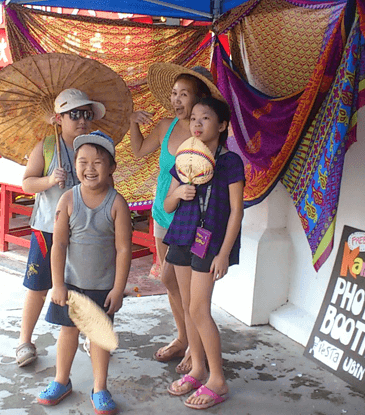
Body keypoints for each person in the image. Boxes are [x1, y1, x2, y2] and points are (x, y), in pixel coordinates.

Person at [129, 64, 220, 374]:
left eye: (184, 94)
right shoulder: (166, 125)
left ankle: (197, 349)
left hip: (190, 221)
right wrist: (132, 122)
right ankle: (183, 338)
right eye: (174, 94)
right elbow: (140, 150)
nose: (177, 100)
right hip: (162, 213)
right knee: (171, 284)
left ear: (200, 98)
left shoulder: (204, 133)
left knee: (181, 284)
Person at [37, 131, 131, 415]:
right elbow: (59, 244)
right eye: (82, 161)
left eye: (98, 162)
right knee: (68, 332)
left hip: (102, 286)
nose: (89, 168)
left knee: (99, 336)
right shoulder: (67, 199)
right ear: (74, 165)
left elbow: (124, 250)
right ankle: (60, 381)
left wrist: (118, 288)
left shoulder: (117, 204)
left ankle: (100, 387)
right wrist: (57, 284)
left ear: (112, 167)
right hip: (71, 283)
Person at [163, 97, 244, 410]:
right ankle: (198, 369)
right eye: (193, 118)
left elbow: (237, 211)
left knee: (199, 308)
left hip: (210, 243)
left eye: (205, 118)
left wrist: (223, 253)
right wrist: (179, 193)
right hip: (183, 236)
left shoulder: (230, 162)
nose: (196, 124)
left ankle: (218, 380)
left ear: (222, 125)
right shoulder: (184, 157)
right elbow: (169, 204)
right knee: (187, 306)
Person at [16, 88, 105, 367]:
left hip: (82, 232)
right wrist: (49, 180)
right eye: (74, 114)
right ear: (58, 118)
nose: (82, 120)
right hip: (47, 230)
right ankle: (24, 341)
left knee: (84, 288)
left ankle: (91, 339)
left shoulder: (91, 149)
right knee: (38, 286)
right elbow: (27, 183)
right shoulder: (46, 146)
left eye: (86, 114)